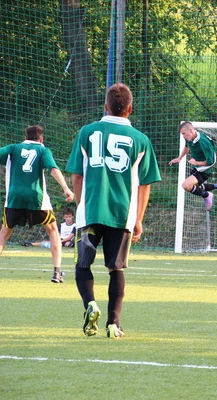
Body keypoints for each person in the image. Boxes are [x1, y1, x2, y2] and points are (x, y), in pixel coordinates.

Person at [66, 83, 161, 339]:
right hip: (122, 215)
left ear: (105, 106)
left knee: (82, 264)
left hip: (90, 210)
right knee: (115, 269)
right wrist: (138, 219)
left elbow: (76, 174)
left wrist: (81, 205)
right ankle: (113, 324)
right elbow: (144, 185)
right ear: (130, 108)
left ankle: (90, 305)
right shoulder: (141, 140)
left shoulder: (87, 132)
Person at [0, 125, 75, 283]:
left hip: (14, 198)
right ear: (41, 139)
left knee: (3, 235)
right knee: (53, 230)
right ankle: (57, 272)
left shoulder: (12, 148)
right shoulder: (43, 150)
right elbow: (53, 169)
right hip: (37, 199)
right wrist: (67, 189)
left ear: (25, 137)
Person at [168, 121, 217, 211]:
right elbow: (186, 146)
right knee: (197, 187)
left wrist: (197, 163)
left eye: (184, 133)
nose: (183, 136)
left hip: (204, 170)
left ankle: (207, 195)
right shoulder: (189, 138)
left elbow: (210, 162)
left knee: (186, 186)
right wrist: (179, 158)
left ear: (191, 130)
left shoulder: (203, 142)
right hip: (197, 169)